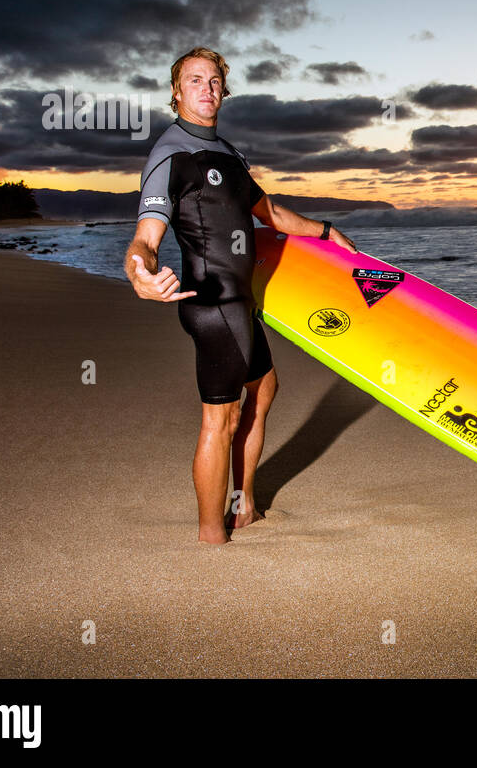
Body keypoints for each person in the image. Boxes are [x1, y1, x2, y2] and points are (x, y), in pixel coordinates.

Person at [124, 47, 356, 544]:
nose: (206, 88)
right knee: (221, 417)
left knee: (265, 387)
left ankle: (243, 501)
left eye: (214, 81)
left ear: (222, 90)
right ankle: (212, 535)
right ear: (176, 91)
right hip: (211, 304)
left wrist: (324, 231)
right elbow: (146, 236)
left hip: (241, 303)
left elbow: (267, 210)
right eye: (194, 80)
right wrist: (140, 272)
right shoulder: (169, 156)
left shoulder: (227, 153)